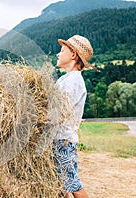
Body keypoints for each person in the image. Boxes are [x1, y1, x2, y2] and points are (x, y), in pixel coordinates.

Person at [53, 35, 93, 198]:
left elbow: (60, 110)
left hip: (64, 141)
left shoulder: (74, 80)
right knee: (59, 183)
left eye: (62, 50)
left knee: (72, 183)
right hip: (57, 138)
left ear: (73, 55)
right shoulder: (66, 78)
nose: (58, 54)